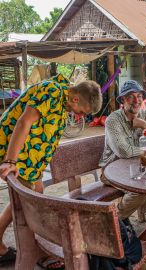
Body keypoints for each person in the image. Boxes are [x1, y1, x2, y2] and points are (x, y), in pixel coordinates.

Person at [0, 74, 102, 268]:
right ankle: (27, 249)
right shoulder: (52, 92)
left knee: (37, 191)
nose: (79, 115)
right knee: (26, 202)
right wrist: (10, 161)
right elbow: (24, 123)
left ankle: (32, 246)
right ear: (75, 98)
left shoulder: (62, 103)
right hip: (14, 153)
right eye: (81, 110)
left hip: (29, 159)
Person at [99, 80, 146, 220]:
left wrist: (145, 126)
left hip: (140, 167)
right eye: (131, 96)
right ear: (123, 100)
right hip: (112, 170)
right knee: (141, 190)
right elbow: (124, 152)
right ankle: (115, 221)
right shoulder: (113, 120)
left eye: (139, 96)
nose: (136, 101)